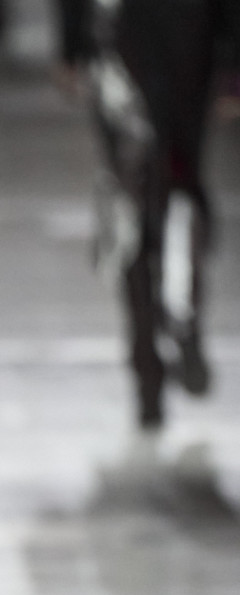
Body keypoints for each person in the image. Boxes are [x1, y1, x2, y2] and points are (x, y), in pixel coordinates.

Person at [81, 0, 240, 428]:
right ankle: (176, 324)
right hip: (178, 42)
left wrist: (71, 44)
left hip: (129, 43)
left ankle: (151, 350)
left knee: (139, 194)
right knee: (171, 186)